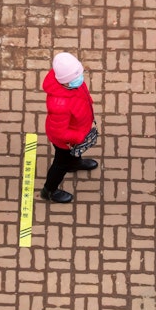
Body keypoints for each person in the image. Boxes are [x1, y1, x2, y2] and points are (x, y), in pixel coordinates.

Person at [40, 52, 98, 203]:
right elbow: (59, 132)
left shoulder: (70, 82)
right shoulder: (60, 104)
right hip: (66, 142)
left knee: (71, 157)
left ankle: (75, 163)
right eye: (74, 78)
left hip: (77, 132)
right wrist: (78, 138)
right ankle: (49, 190)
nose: (80, 79)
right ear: (64, 82)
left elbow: (83, 96)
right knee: (60, 164)